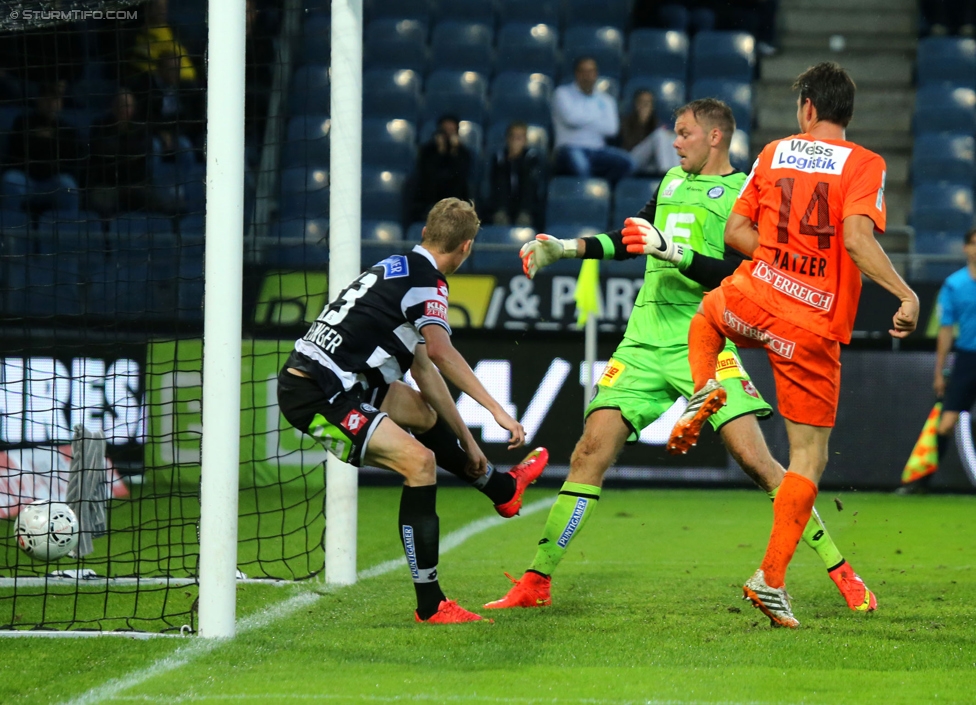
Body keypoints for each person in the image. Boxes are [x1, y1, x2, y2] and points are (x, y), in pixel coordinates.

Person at [485, 98, 875, 617]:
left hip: (706, 339)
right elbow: (631, 240)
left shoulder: (744, 191)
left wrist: (674, 252)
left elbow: (742, 272)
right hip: (643, 342)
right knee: (587, 453)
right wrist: (567, 249)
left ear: (715, 137)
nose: (675, 142)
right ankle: (536, 580)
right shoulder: (669, 182)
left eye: (685, 133)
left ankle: (840, 570)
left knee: (760, 464)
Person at [666, 63, 918, 628]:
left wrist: (777, 261)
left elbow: (735, 233)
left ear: (807, 108)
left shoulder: (775, 151)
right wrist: (904, 293)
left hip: (754, 298)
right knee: (808, 459)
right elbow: (856, 239)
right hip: (811, 327)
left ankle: (705, 386)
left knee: (707, 314)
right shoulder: (865, 164)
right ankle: (771, 578)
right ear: (843, 112)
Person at [276, 198, 548, 624]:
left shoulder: (394, 268)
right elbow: (441, 352)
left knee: (423, 414)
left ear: (425, 233)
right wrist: (496, 409)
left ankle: (501, 490)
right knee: (420, 464)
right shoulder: (429, 284)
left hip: (346, 380)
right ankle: (431, 605)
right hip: (317, 393)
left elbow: (424, 369)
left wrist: (470, 443)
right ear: (467, 248)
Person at [905, 228, 976, 491]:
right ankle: (922, 481)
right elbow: (946, 329)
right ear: (965, 248)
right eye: (974, 244)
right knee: (945, 424)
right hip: (967, 358)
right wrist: (939, 371)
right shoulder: (954, 285)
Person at [87, 87, 183, 216]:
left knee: (164, 208)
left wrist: (119, 152)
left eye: (128, 106)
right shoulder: (100, 126)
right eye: (121, 105)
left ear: (133, 108)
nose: (124, 110)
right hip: (107, 185)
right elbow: (101, 152)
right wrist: (126, 152)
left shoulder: (140, 129)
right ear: (113, 107)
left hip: (136, 185)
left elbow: (140, 153)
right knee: (100, 206)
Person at [1, 82, 82, 214]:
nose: (51, 103)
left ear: (61, 103)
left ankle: (67, 230)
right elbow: (16, 152)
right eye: (47, 98)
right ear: (39, 100)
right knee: (10, 180)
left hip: (54, 181)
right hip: (26, 179)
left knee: (69, 186)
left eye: (55, 99)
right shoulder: (23, 123)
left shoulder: (67, 130)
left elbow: (71, 160)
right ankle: (10, 230)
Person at [552, 57, 634, 184]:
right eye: (583, 71)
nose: (587, 76)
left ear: (596, 74)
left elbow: (612, 129)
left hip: (598, 150)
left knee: (628, 162)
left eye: (591, 71)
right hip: (569, 147)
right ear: (576, 74)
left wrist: (583, 117)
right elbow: (571, 119)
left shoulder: (607, 100)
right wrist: (597, 116)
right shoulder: (562, 93)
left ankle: (604, 193)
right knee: (581, 166)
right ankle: (587, 199)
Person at [482, 121, 545, 230]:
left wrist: (518, 159)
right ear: (507, 138)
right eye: (513, 137)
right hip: (502, 206)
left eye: (520, 137)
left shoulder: (532, 158)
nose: (516, 141)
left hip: (526, 207)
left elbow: (532, 185)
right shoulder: (499, 157)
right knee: (498, 218)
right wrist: (510, 160)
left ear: (525, 140)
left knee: (525, 219)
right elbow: (496, 184)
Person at [412, 115, 473, 223]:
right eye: (445, 131)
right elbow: (428, 176)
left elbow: (461, 176)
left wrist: (454, 152)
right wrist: (440, 153)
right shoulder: (427, 151)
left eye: (451, 131)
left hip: (456, 201)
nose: (448, 135)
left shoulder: (463, 153)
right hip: (431, 200)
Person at [620, 89, 680, 176]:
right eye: (642, 102)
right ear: (636, 104)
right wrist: (641, 122)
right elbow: (627, 145)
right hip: (632, 159)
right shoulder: (625, 121)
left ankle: (677, 174)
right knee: (659, 134)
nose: (645, 106)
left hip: (650, 163)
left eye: (648, 103)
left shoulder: (655, 122)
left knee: (670, 137)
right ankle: (667, 175)